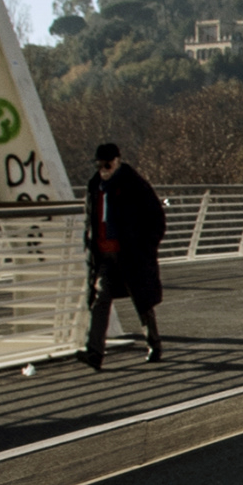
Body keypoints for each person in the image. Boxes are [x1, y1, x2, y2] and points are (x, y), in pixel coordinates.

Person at [82, 140, 168, 369]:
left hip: (131, 256)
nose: (103, 170)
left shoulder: (134, 185)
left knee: (142, 301)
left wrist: (146, 247)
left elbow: (156, 218)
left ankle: (154, 344)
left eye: (107, 165)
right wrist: (89, 243)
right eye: (99, 165)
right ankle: (94, 353)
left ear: (118, 161)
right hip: (104, 255)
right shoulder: (94, 186)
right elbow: (90, 218)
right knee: (100, 299)